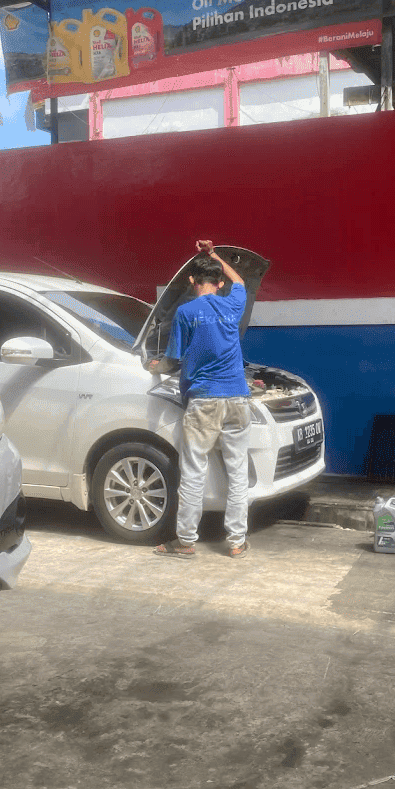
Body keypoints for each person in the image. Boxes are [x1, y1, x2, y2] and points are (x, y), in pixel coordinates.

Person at [147, 240, 251, 560]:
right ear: (219, 284)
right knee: (238, 473)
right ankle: (236, 542)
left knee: (193, 472)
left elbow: (173, 359)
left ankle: (186, 542)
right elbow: (240, 280)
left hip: (204, 400)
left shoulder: (186, 312)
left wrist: (154, 366)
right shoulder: (232, 305)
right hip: (238, 399)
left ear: (192, 281)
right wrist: (214, 254)